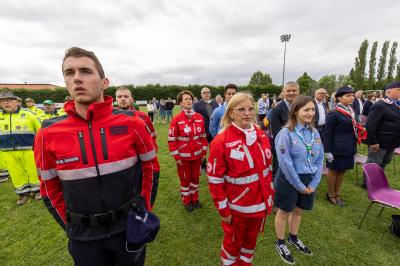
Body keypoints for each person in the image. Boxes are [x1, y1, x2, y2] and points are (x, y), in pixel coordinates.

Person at [34, 47, 160, 265]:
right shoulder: (47, 134)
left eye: (85, 71)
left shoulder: (133, 123)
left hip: (127, 227)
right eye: (69, 73)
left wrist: (143, 210)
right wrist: (71, 224)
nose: (77, 79)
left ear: (104, 82)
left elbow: (151, 168)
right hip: (83, 237)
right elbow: (49, 187)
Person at [207, 92, 274, 265]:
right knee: (232, 246)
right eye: (241, 109)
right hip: (237, 209)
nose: (247, 113)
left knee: (250, 245)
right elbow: (215, 179)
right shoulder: (221, 141)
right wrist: (224, 210)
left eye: (250, 109)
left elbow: (267, 169)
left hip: (259, 206)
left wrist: (269, 196)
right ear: (231, 113)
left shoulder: (260, 135)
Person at [273, 95, 323, 264]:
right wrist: (299, 185)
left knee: (299, 210)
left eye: (313, 109)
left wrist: (314, 183)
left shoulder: (315, 132)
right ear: (295, 111)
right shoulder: (285, 133)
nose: (310, 113)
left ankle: (293, 238)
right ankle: (280, 242)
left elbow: (319, 158)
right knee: (284, 211)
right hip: (289, 179)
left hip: (308, 180)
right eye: (306, 109)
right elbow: (285, 163)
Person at [168, 90, 207, 212]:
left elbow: (203, 136)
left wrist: (204, 153)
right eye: (186, 99)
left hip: (197, 156)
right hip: (183, 158)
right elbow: (172, 140)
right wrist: (177, 157)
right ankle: (187, 201)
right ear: (180, 103)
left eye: (190, 99)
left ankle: (195, 199)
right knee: (185, 179)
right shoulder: (176, 119)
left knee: (195, 178)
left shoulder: (199, 117)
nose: (189, 101)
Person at [0, 91, 41, 205]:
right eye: (3, 101)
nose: (6, 103)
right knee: (16, 173)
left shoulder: (28, 114)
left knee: (33, 170)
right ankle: (23, 194)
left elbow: (41, 131)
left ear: (16, 101)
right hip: (7, 151)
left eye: (8, 100)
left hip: (28, 149)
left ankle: (38, 191)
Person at [323, 86, 360, 207]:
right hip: (337, 148)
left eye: (352, 96)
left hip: (349, 146)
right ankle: (330, 194)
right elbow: (327, 133)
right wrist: (327, 151)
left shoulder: (351, 110)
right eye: (348, 96)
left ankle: (337, 193)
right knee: (333, 171)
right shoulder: (334, 113)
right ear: (339, 98)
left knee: (342, 171)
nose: (351, 98)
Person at [363, 82, 400, 187]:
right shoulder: (380, 105)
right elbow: (370, 125)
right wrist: (373, 142)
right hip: (380, 142)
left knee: (385, 161)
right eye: (399, 90)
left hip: (392, 141)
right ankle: (367, 183)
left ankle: (377, 180)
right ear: (389, 91)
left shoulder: (396, 104)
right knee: (374, 162)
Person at [270, 82, 300, 179]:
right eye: (288, 91)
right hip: (282, 145)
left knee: (295, 168)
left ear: (298, 92)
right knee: (280, 169)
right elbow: (276, 132)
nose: (291, 93)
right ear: (283, 92)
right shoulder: (277, 109)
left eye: (294, 90)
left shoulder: (302, 107)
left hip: (299, 145)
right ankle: (277, 191)